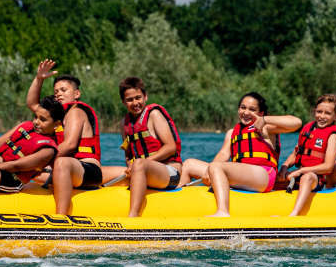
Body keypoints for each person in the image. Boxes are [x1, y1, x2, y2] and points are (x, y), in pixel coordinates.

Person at [183, 92, 283, 218]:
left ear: (261, 113)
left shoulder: (266, 128)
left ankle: (223, 212)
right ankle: (178, 204)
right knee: (188, 164)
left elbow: (296, 122)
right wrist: (209, 172)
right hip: (241, 175)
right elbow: (223, 154)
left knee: (217, 167)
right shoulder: (232, 133)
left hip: (264, 175)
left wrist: (264, 120)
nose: (246, 112)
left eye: (252, 109)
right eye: (243, 107)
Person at [26, 59, 104, 216]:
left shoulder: (76, 112)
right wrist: (39, 79)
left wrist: (40, 161)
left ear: (76, 94)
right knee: (31, 170)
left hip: (87, 169)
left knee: (59, 163)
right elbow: (32, 104)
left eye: (63, 90)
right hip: (68, 168)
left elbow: (69, 145)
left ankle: (61, 217)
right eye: (56, 92)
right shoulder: (57, 115)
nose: (59, 94)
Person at [118, 77, 183, 218]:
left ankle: (133, 217)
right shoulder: (124, 123)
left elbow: (171, 147)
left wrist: (144, 163)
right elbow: (128, 155)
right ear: (123, 102)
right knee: (105, 172)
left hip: (170, 173)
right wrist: (130, 166)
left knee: (140, 164)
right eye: (129, 100)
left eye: (138, 98)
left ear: (145, 97)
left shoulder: (154, 115)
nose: (135, 103)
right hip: (142, 171)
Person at [279, 94, 336, 217]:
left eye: (327, 113)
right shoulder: (309, 128)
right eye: (319, 112)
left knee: (308, 177)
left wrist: (302, 171)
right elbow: (296, 153)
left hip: (316, 178)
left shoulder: (333, 135)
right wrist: (285, 166)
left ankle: (294, 214)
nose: (322, 116)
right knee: (274, 176)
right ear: (314, 112)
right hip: (299, 173)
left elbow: (328, 167)